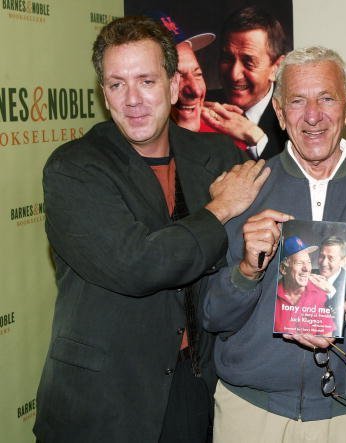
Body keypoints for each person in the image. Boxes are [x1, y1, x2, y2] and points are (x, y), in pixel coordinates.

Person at [33, 16, 270, 443]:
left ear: (174, 86)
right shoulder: (75, 168)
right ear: (104, 94)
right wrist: (219, 211)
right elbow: (139, 264)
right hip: (104, 402)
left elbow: (279, 195)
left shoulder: (214, 153)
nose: (132, 99)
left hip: (195, 387)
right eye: (117, 84)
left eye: (146, 80)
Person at [203, 46, 346, 443]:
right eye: (297, 101)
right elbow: (210, 315)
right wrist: (245, 272)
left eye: (326, 98)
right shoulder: (243, 191)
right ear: (278, 111)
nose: (313, 116)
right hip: (251, 412)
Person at [150, 10, 264, 151]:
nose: (196, 91)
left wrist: (257, 137)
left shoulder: (225, 134)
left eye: (198, 74)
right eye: (176, 77)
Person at [207, 5, 287, 159]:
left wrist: (256, 137)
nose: (234, 75)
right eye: (227, 59)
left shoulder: (294, 118)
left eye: (248, 62)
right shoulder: (200, 107)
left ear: (276, 68)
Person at [273, 236, 335, 336]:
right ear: (283, 269)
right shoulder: (271, 295)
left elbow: (326, 336)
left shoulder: (319, 292)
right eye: (299, 263)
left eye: (308, 262)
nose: (306, 269)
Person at [317, 235, 346, 315]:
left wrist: (331, 292)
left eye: (331, 258)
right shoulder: (308, 275)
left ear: (343, 261)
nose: (324, 263)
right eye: (322, 256)